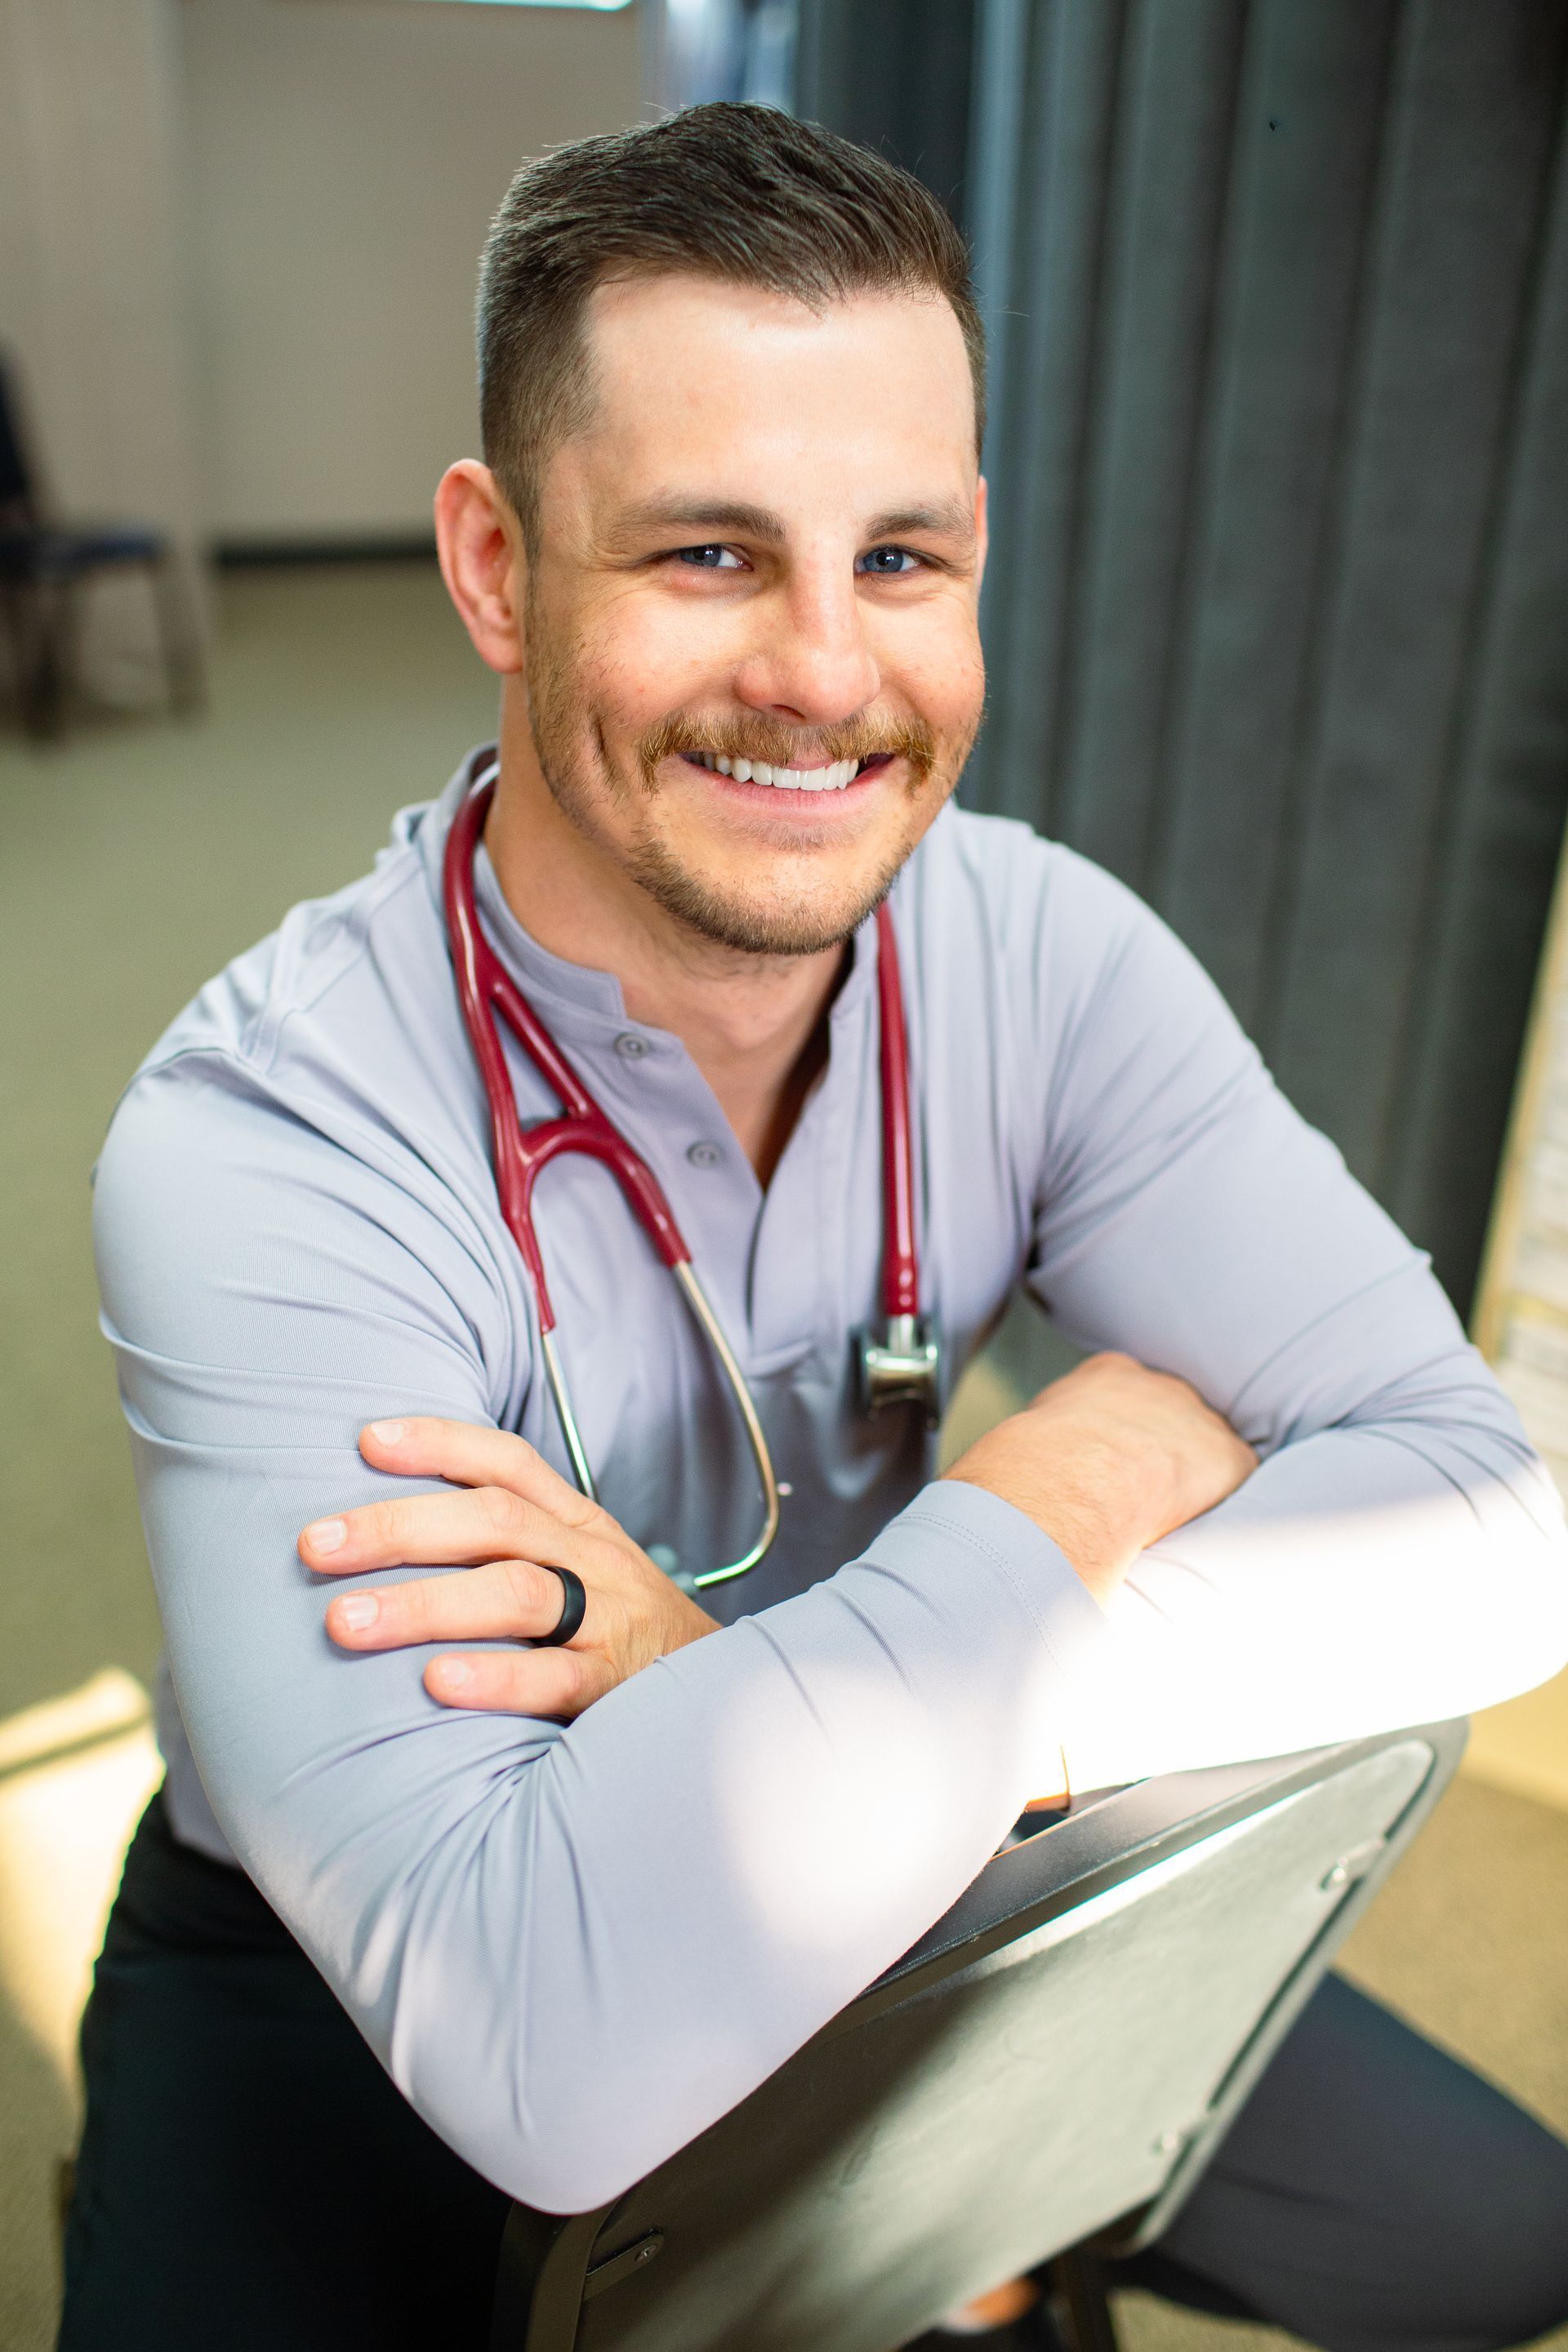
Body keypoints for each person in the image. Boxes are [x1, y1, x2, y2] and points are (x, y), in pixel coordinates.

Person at [62, 103, 1568, 2352]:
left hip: (914, 1786)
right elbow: (542, 2045)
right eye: (706, 555)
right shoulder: (269, 1139)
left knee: (1493, 2238)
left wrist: (763, 1685)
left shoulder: (1047, 958)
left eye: (901, 560)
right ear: (496, 563)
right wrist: (1068, 1473)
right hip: (350, 1924)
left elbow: (1507, 1519)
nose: (826, 672)